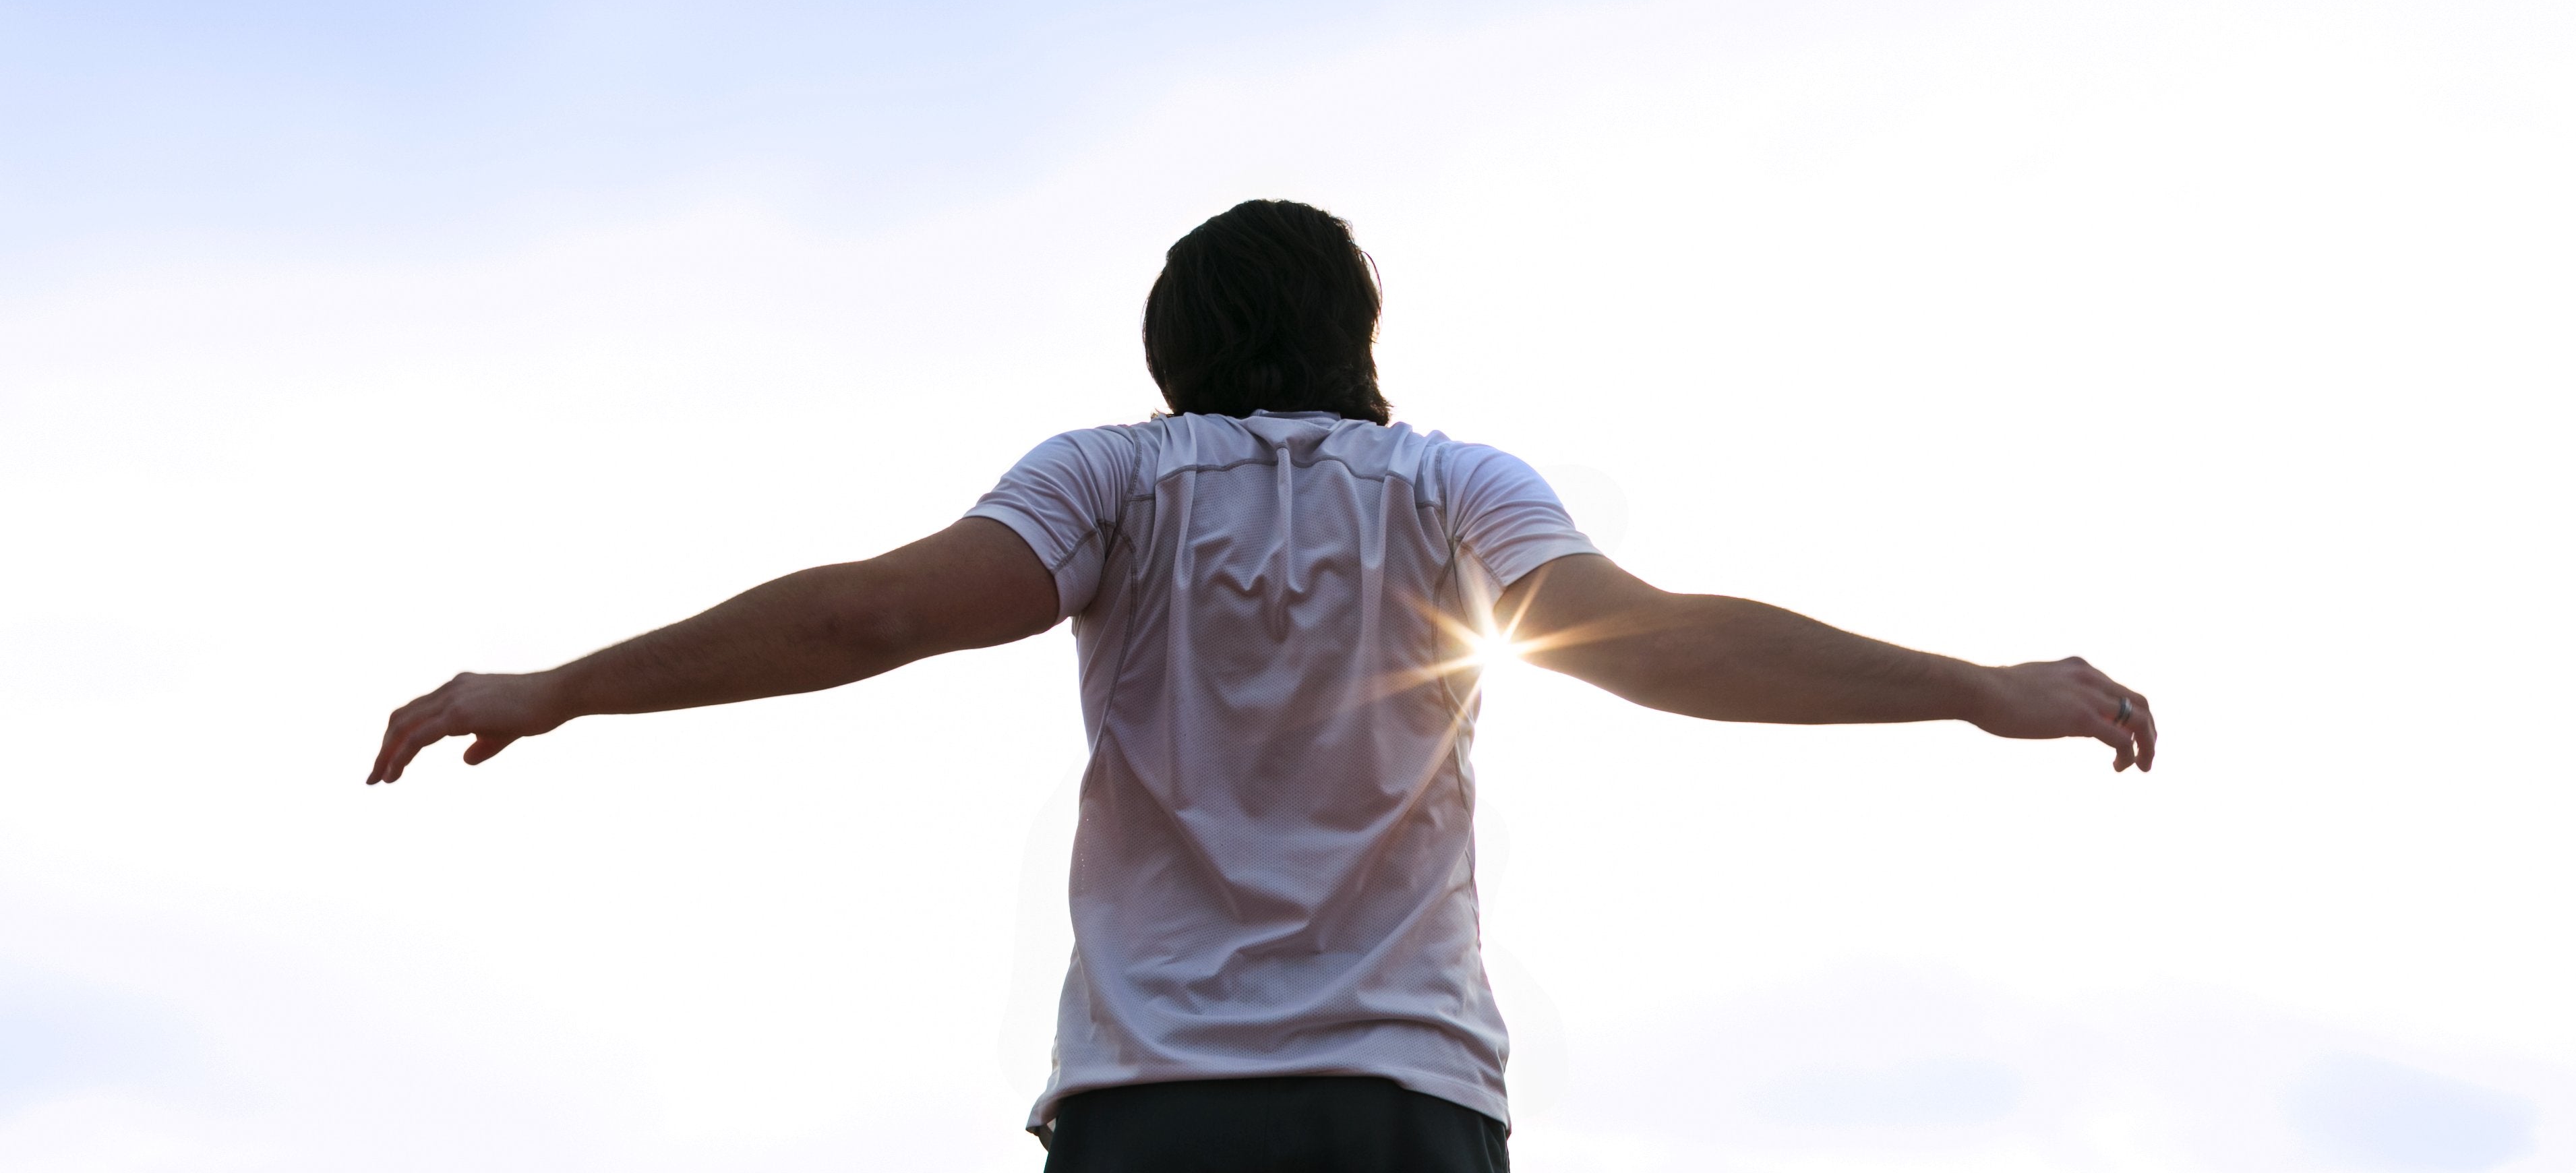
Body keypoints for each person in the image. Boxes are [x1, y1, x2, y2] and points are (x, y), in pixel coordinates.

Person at [369, 198, 2156, 1172]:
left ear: (1170, 355)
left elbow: (860, 619)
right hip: (1398, 1110)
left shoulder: (1112, 483)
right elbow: (1655, 637)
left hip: (1155, 1117)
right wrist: (1973, 687)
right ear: (1357, 339)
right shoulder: (1455, 489)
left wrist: (560, 687)